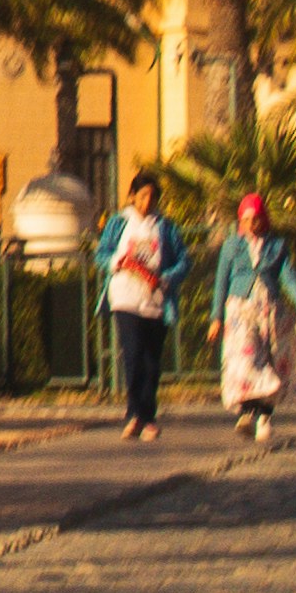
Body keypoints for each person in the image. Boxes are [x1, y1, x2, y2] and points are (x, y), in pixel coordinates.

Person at [216, 189, 296, 444]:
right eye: (247, 219)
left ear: (264, 219)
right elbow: (221, 282)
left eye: (257, 218)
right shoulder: (231, 246)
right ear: (241, 221)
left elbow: (287, 276)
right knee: (245, 359)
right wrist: (215, 318)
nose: (252, 224)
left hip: (269, 310)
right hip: (240, 310)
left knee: (270, 359)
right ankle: (247, 412)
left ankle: (264, 414)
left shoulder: (276, 246)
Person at [98, 168, 180, 440]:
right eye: (142, 196)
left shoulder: (165, 227)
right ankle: (137, 414)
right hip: (125, 298)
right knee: (132, 356)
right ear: (132, 196)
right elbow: (102, 254)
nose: (147, 203)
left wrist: (166, 278)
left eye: (152, 197)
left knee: (151, 361)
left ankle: (146, 415)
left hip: (155, 301)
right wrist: (116, 263)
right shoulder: (118, 223)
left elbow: (184, 261)